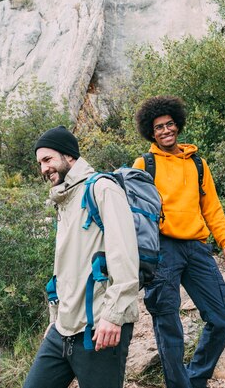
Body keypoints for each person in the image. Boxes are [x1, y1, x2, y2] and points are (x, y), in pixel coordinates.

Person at [133, 96, 225, 388]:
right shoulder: (144, 164)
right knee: (168, 325)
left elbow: (212, 207)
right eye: (158, 127)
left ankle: (197, 377)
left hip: (196, 247)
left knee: (222, 316)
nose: (165, 130)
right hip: (162, 250)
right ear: (150, 132)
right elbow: (136, 213)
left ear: (178, 125)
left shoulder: (198, 164)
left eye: (169, 124)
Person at [23, 126, 140, 388]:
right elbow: (67, 267)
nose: (43, 169)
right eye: (40, 163)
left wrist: (113, 315)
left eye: (48, 159)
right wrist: (55, 319)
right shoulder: (64, 199)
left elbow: (125, 254)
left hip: (99, 327)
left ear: (69, 156)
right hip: (63, 329)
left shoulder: (101, 188)